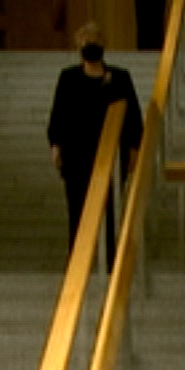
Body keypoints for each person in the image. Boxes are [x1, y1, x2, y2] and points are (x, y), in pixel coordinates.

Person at [46, 22, 143, 270]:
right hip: (77, 153)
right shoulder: (68, 78)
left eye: (95, 42)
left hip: (112, 154)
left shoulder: (120, 78)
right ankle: (79, 262)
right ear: (79, 47)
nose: (90, 47)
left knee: (110, 211)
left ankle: (109, 260)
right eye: (86, 42)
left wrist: (133, 148)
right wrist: (55, 145)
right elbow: (59, 114)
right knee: (77, 209)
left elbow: (133, 116)